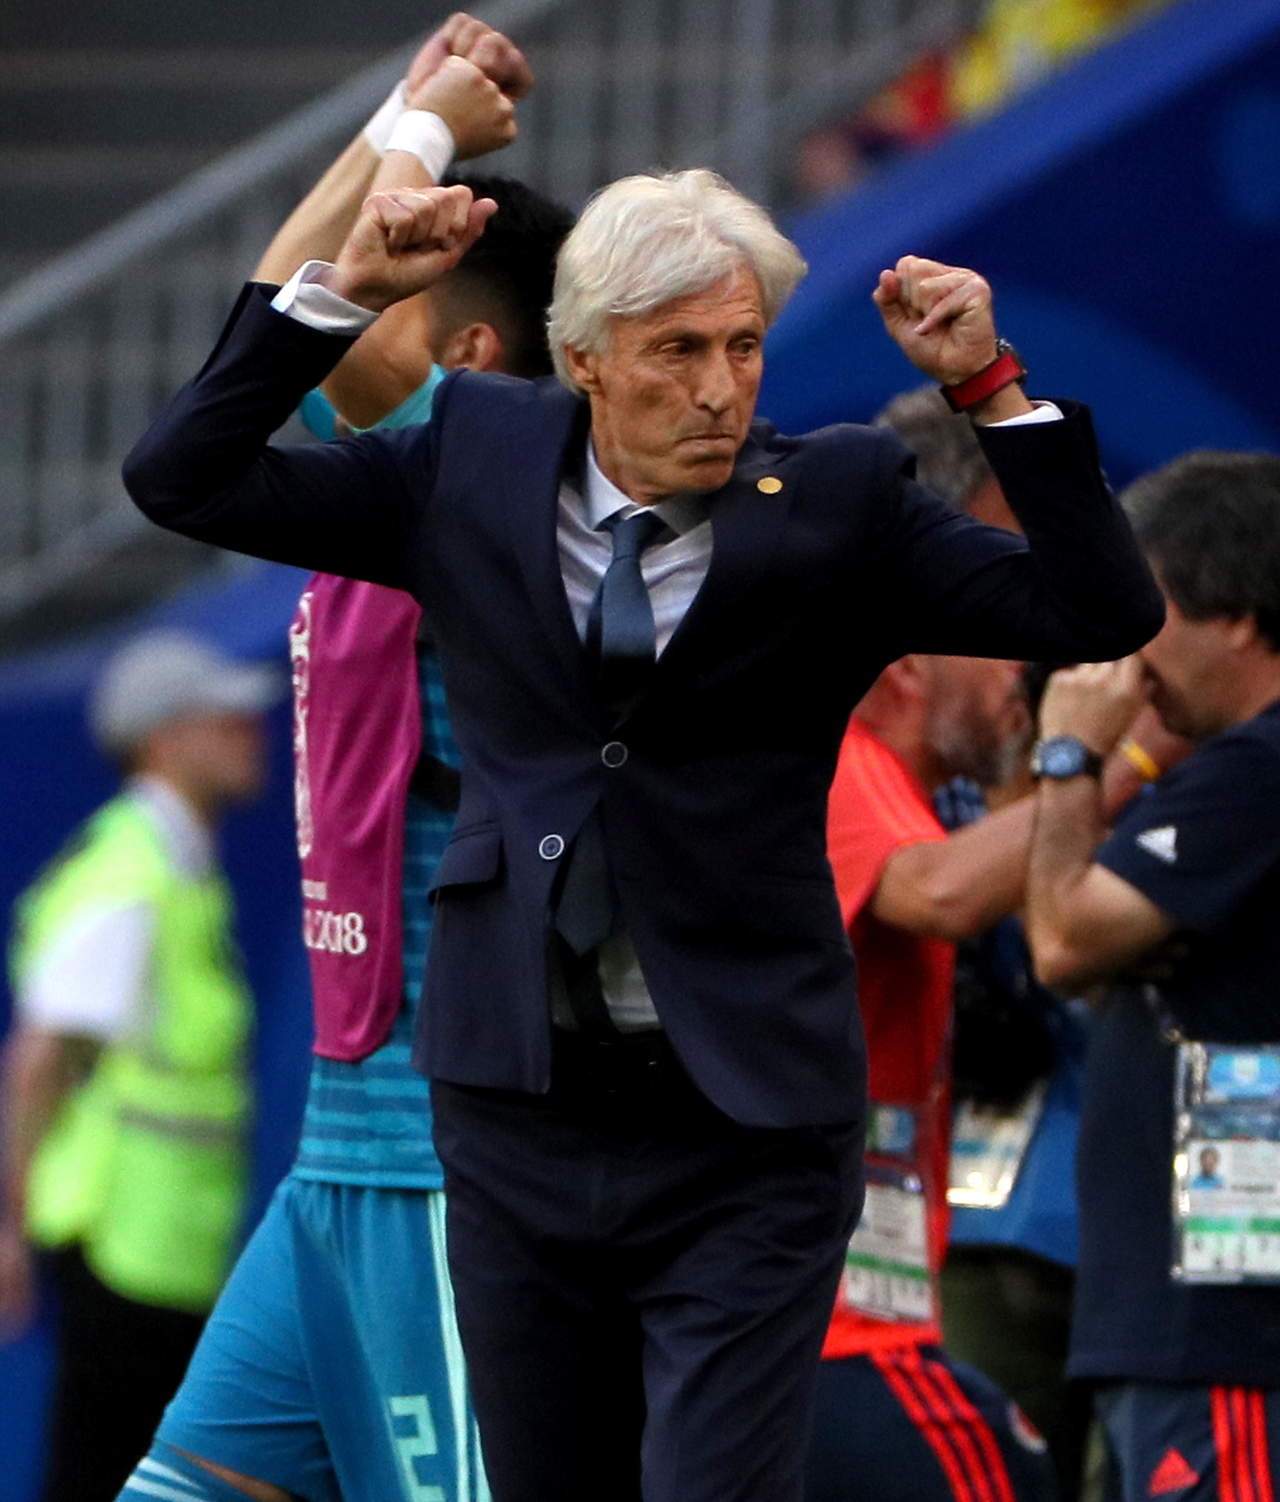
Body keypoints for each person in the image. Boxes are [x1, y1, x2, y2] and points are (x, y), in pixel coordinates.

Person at [121, 161, 1162, 1501]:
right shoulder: (469, 462)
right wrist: (339, 298)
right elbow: (182, 477)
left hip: (747, 1130)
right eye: (679, 351)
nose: (721, 387)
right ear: (586, 360)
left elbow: (1099, 610)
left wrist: (990, 387)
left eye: (743, 346)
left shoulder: (837, 501)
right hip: (518, 1114)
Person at [115, 21, 576, 1502]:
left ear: (471, 356)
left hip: (444, 1166)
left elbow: (318, 305)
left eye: (406, 280)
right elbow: (289, 301)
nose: (362, 282)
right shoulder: (386, 490)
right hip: (339, 1154)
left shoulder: (487, 490)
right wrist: (401, 113)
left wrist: (427, 134)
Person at [1024, 450, 1280, 1502]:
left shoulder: (1256, 768)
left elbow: (1059, 940)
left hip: (1224, 1324)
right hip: (1188, 1318)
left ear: (1236, 614)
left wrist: (1068, 756)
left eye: (1147, 605)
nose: (1123, 646)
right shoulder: (1229, 772)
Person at [872, 387, 1094, 1496]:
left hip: (1069, 1233)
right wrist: (1107, 760)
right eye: (1008, 562)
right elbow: (941, 895)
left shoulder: (979, 758)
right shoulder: (833, 750)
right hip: (904, 1261)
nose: (1032, 630)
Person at [0, 630, 278, 1502]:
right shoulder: (130, 873)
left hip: (169, 1248)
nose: (250, 731)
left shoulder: (179, 868)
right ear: (163, 741)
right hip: (121, 1245)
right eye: (222, 718)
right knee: (101, 1475)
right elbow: (40, 1058)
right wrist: (7, 1229)